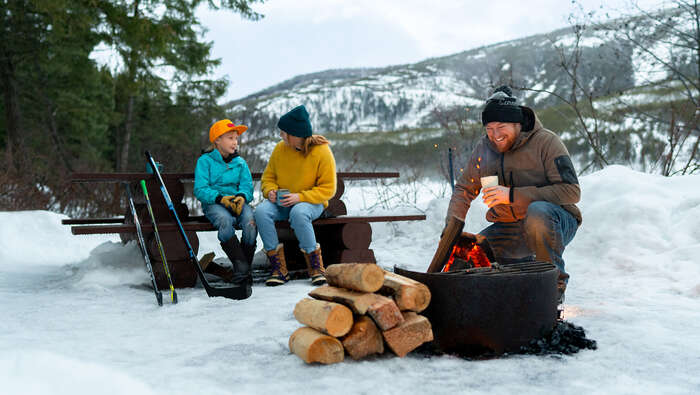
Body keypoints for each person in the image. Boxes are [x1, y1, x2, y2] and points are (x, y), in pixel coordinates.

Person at [445, 86, 581, 303]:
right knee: (472, 252)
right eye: (489, 128)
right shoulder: (484, 147)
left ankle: (552, 290)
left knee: (538, 213)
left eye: (501, 127)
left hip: (556, 220)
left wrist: (511, 196)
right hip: (510, 227)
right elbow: (464, 189)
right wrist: (451, 226)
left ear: (517, 123)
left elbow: (572, 191)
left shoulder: (546, 142)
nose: (495, 135)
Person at [254, 105, 337, 287]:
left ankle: (316, 268)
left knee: (299, 213)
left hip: (310, 202)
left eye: (285, 133)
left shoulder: (321, 151)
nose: (282, 136)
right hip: (282, 202)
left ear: (296, 134)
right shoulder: (279, 149)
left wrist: (300, 197)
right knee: (260, 212)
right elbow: (268, 177)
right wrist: (271, 191)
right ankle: (278, 269)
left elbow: (328, 189)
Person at [194, 119, 257, 287]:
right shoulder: (205, 161)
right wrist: (220, 198)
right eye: (230, 138)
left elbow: (247, 186)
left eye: (236, 139)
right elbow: (200, 189)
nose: (235, 142)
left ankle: (242, 272)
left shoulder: (240, 163)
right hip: (215, 203)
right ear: (217, 140)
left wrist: (242, 196)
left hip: (238, 202)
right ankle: (243, 270)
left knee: (250, 223)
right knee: (225, 221)